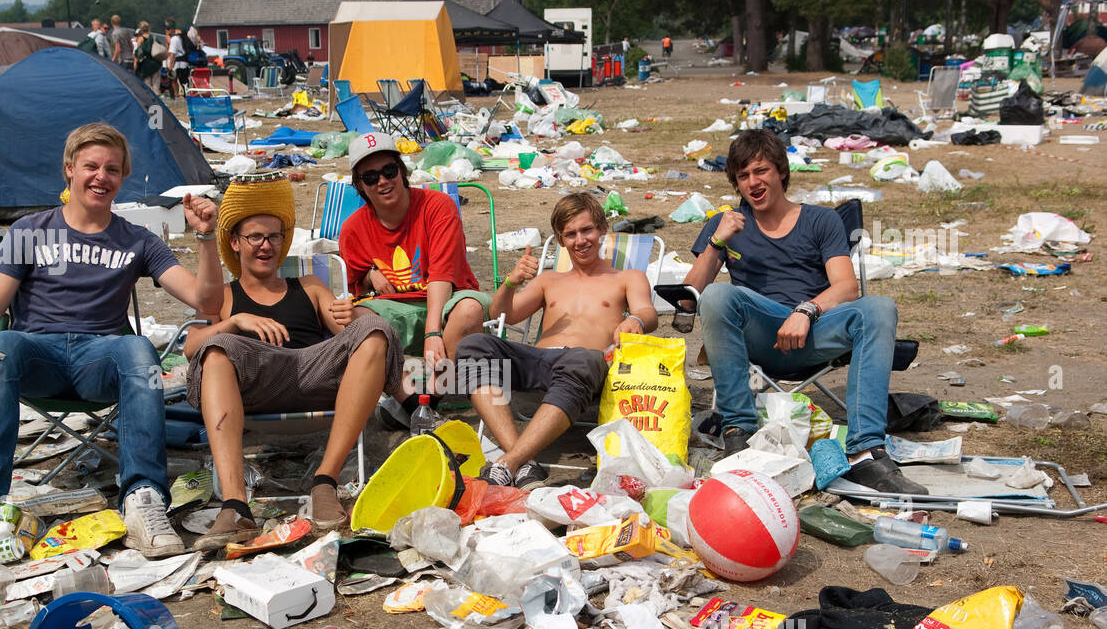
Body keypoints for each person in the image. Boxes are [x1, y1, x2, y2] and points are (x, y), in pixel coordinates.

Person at [0, 123, 220, 556]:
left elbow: (205, 300)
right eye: (91, 166)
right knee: (0, 346)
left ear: (122, 178)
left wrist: (206, 237)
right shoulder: (29, 231)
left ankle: (143, 503)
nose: (101, 176)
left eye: (113, 169)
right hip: (36, 356)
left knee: (138, 348)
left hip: (98, 359)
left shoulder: (138, 240)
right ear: (69, 170)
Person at [682, 128, 927, 495]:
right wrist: (718, 241)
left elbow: (846, 286)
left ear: (781, 171)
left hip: (814, 332)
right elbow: (688, 299)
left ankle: (865, 453)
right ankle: (739, 433)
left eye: (761, 171)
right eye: (743, 176)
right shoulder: (727, 223)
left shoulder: (820, 220)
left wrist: (807, 310)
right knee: (718, 296)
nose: (753, 182)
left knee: (879, 308)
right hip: (759, 338)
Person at [184, 174, 403, 549]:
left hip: (314, 372)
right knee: (216, 349)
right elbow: (190, 347)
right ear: (235, 243)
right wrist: (234, 322)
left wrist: (354, 315)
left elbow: (347, 332)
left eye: (274, 237)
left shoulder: (309, 286)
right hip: (258, 382)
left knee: (376, 331)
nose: (266, 246)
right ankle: (235, 506)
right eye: (255, 237)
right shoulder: (225, 296)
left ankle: (325, 481)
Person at [456, 193, 656, 489]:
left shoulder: (627, 277)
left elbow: (647, 312)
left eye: (587, 230)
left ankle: (507, 463)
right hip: (538, 362)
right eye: (570, 234)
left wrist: (635, 320)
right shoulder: (548, 280)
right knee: (473, 345)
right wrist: (511, 282)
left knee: (585, 357)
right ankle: (522, 461)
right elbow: (503, 315)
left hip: (587, 365)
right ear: (561, 241)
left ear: (602, 229)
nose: (580, 240)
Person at [338, 132, 491, 429]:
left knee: (470, 310)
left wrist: (433, 333)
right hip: (396, 309)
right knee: (351, 318)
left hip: (450, 299)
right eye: (370, 177)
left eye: (389, 170)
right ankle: (410, 402)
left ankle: (430, 400)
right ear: (360, 186)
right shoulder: (353, 228)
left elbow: (442, 275)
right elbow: (353, 283)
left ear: (402, 171)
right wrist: (371, 275)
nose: (382, 181)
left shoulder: (438, 206)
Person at [167, 28, 186, 98]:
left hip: (178, 64)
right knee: (184, 81)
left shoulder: (174, 39)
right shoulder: (183, 38)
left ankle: (176, 94)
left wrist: (170, 66)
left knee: (174, 80)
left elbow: (172, 54)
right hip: (185, 63)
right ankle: (185, 95)